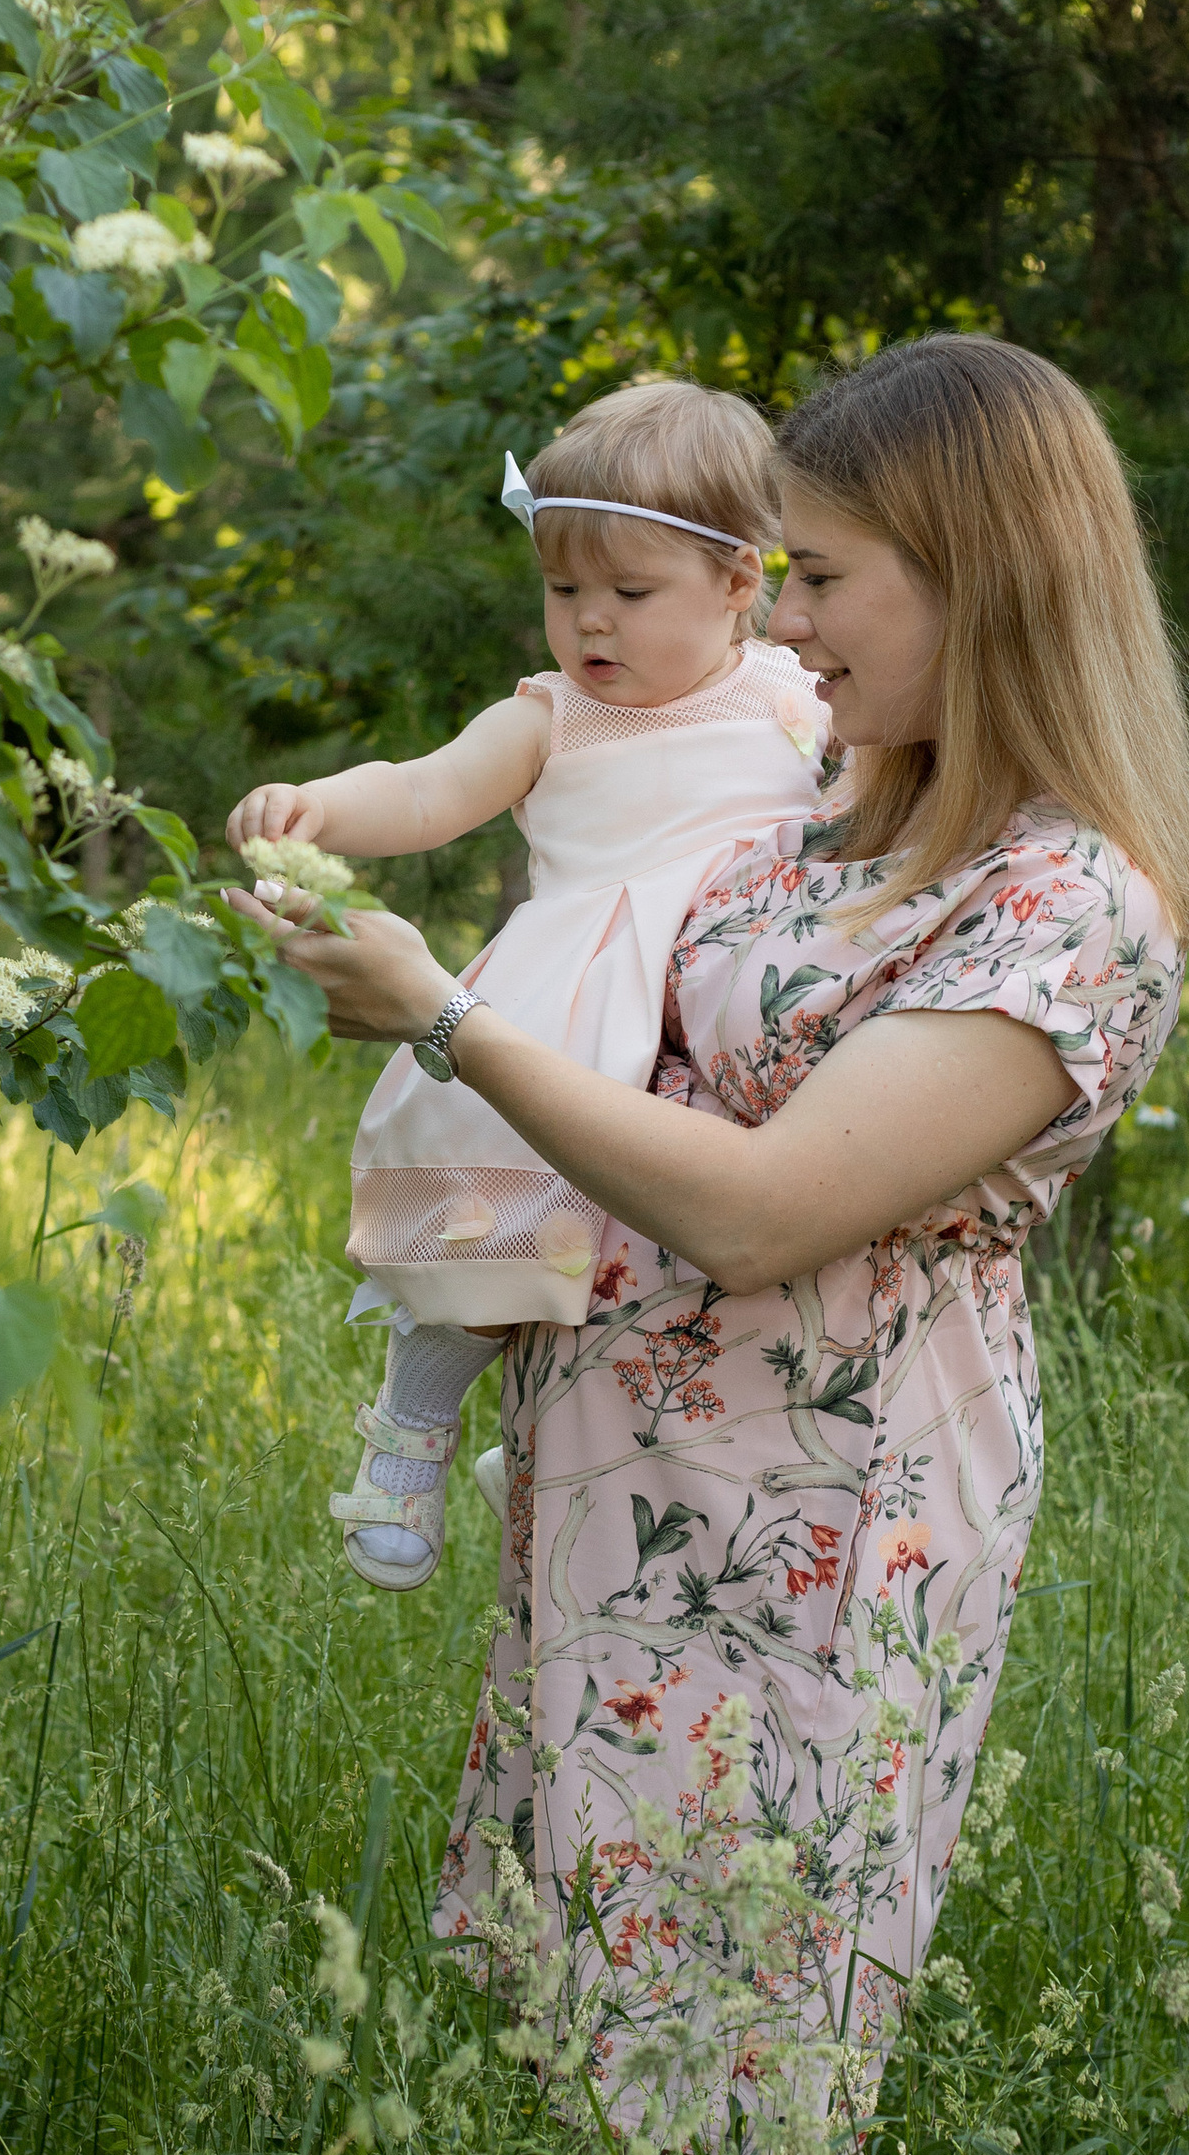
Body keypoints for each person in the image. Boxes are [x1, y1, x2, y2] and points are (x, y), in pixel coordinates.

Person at [240, 335, 1189, 2155]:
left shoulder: (1070, 910)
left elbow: (775, 1209)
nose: (775, 620)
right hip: (617, 1500)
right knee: (596, 2044)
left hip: (816, 1536)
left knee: (761, 2099)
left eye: (827, 580)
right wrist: (457, 1003)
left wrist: (448, 1032)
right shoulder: (810, 819)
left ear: (986, 582)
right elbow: (617, 1016)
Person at [226, 380, 826, 1590]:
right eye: (563, 593)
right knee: (502, 1234)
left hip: (719, 1015)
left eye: (629, 593)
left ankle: (555, 1447)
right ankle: (413, 1420)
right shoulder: (554, 718)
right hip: (570, 1003)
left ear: (738, 584)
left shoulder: (793, 698)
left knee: (654, 1260)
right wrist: (318, 808)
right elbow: (426, 789)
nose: (589, 624)